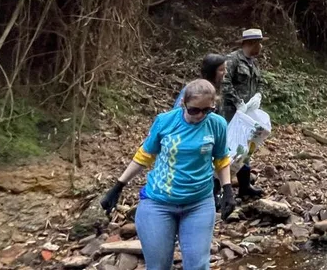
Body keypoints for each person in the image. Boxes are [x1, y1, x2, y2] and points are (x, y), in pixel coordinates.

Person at [99, 79, 235, 270]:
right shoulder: (165, 121)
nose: (200, 116)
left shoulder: (217, 124)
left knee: (198, 265)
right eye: (194, 110)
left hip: (199, 203)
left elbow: (221, 159)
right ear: (184, 104)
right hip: (158, 202)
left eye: (207, 110)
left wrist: (227, 189)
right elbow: (144, 156)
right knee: (159, 266)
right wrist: (118, 186)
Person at [221, 28, 266, 199]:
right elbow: (225, 84)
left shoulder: (253, 63)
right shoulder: (232, 60)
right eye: (259, 43)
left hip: (248, 115)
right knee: (228, 149)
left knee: (245, 148)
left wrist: (258, 95)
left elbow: (260, 82)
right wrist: (237, 101)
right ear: (251, 43)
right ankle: (218, 190)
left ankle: (244, 186)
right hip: (231, 113)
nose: (261, 47)